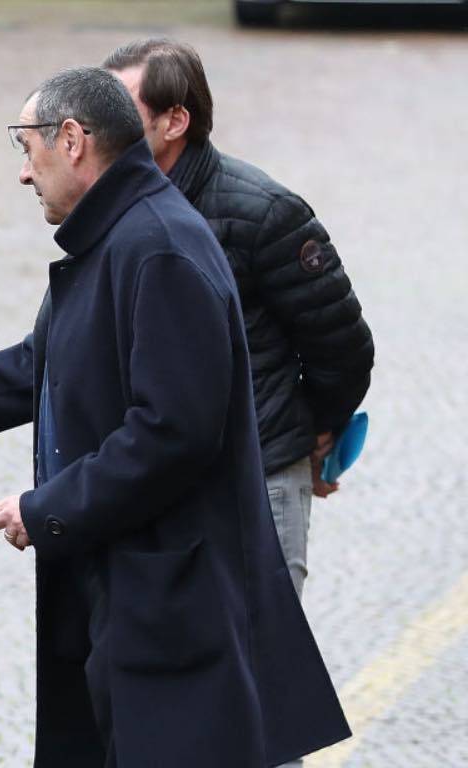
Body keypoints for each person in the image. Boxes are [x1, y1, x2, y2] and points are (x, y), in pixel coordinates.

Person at [0, 67, 351, 766]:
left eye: (25, 146)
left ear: (71, 140)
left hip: (172, 608)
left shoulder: (157, 247)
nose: (23, 174)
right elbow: (35, 366)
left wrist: (45, 508)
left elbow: (174, 432)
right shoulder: (120, 236)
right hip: (123, 591)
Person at [102, 37, 373, 606]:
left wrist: (312, 430)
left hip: (259, 480)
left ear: (176, 120)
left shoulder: (265, 213)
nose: (104, 125)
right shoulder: (109, 211)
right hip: (154, 482)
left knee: (263, 672)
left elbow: (341, 345)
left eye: (121, 110)